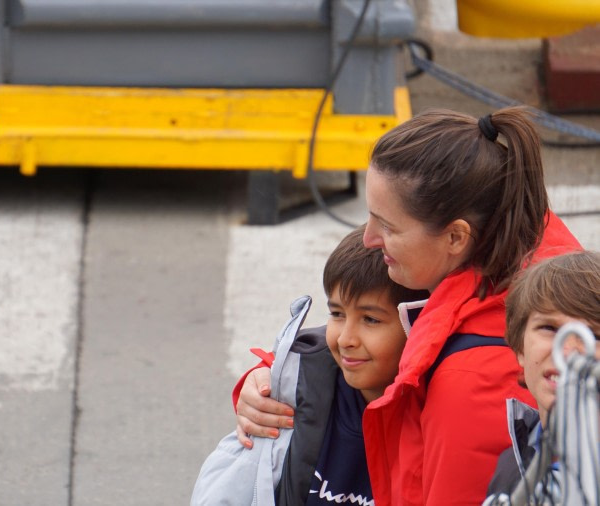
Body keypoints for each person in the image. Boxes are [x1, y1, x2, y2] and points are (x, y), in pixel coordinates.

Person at [234, 107, 583, 504]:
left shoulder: (471, 382)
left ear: (455, 237)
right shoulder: (520, 249)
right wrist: (269, 378)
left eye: (388, 226)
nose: (368, 239)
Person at [192, 227, 429, 505]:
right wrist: (263, 378)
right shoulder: (302, 390)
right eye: (337, 314)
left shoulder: (437, 409)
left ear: (417, 323)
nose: (345, 339)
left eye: (371, 320)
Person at [484, 250, 600, 502]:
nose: (568, 352)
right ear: (520, 348)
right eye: (549, 328)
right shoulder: (511, 463)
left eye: (595, 335)